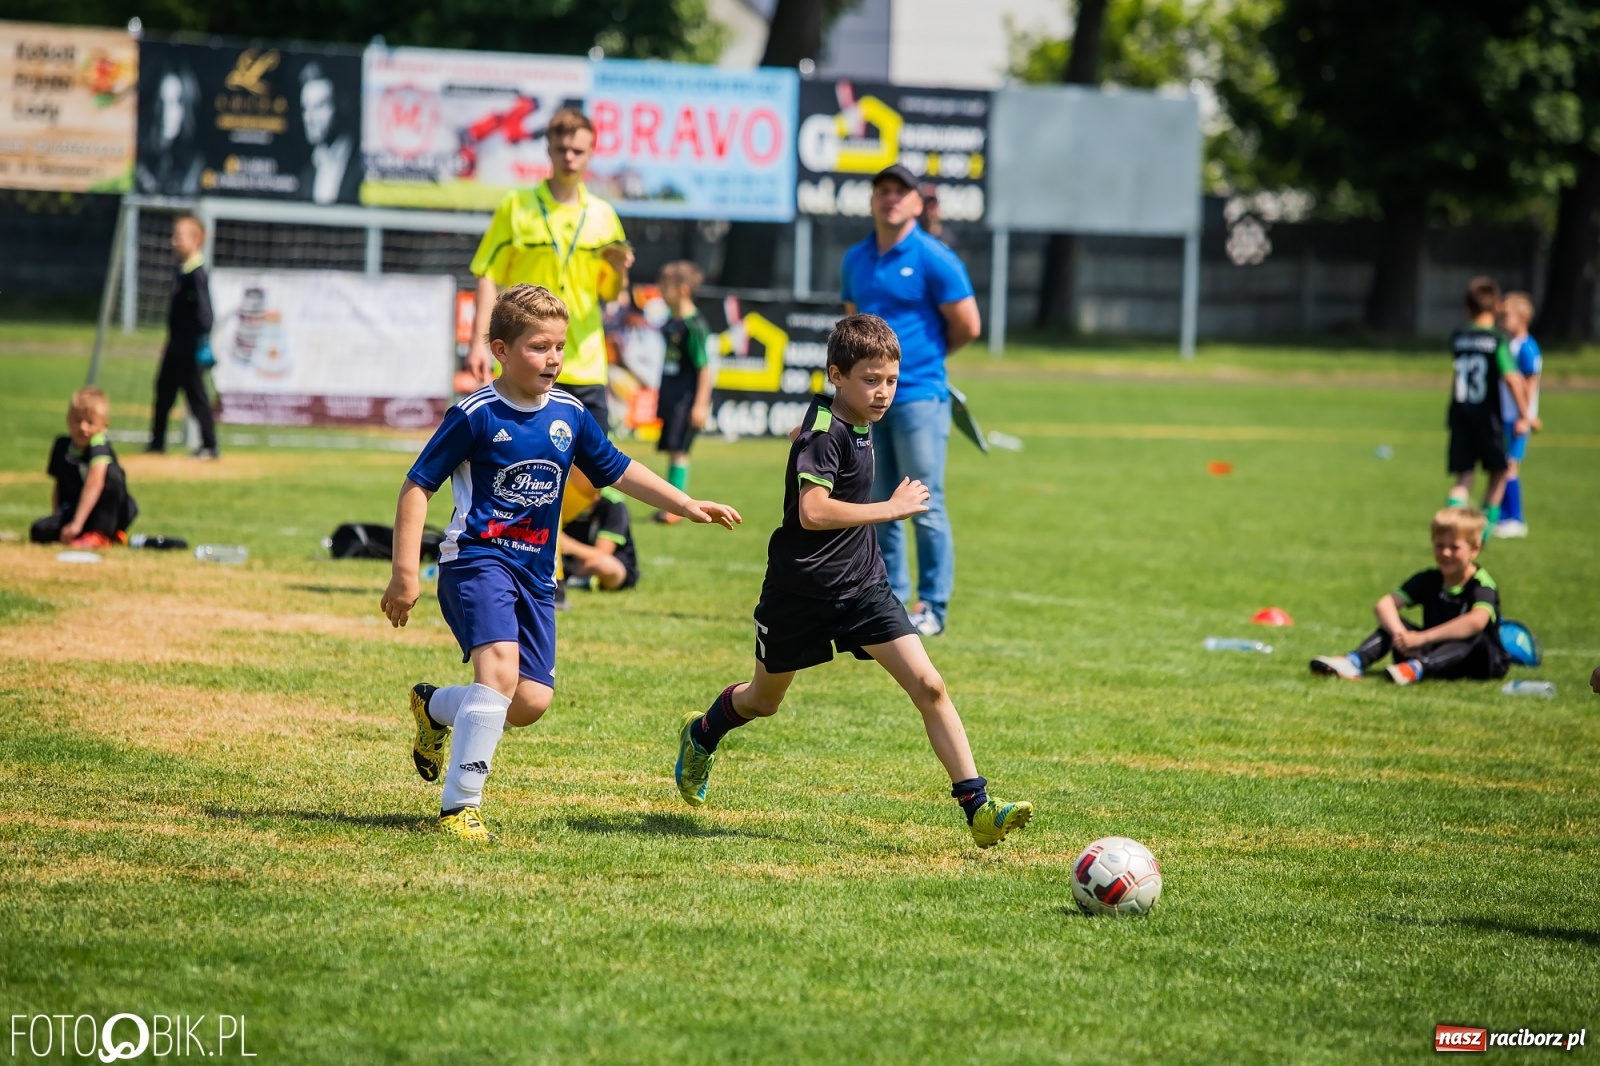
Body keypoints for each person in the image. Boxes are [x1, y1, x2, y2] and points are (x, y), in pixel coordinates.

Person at [381, 284, 740, 842]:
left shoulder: (569, 414)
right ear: (501, 350)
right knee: (497, 672)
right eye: (538, 347)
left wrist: (685, 502)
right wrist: (406, 573)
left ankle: (434, 708)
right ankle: (461, 807)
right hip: (477, 561)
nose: (553, 359)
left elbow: (618, 469)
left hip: (535, 573)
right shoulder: (475, 414)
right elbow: (416, 486)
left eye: (559, 348)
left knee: (526, 701)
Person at [671, 314, 1032, 849]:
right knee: (763, 701)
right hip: (799, 592)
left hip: (863, 588)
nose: (883, 392)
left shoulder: (842, 418)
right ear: (837, 375)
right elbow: (813, 511)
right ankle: (702, 734)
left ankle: (978, 807)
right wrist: (890, 508)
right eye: (870, 380)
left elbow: (809, 438)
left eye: (890, 380)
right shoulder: (827, 431)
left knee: (930, 685)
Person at [841, 164, 982, 638]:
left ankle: (934, 606)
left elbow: (968, 325)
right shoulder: (856, 258)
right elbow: (852, 333)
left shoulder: (934, 257)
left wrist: (921, 365)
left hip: (920, 394)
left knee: (925, 501)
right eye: (882, 190)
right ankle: (891, 600)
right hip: (866, 402)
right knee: (879, 501)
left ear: (919, 203)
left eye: (902, 192)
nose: (891, 199)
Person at [466, 108, 633, 432]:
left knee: (590, 480)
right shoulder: (516, 206)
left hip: (585, 362)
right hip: (526, 361)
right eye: (561, 149)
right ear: (548, 150)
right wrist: (478, 343)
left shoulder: (604, 216)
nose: (569, 158)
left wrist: (619, 272)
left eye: (578, 151)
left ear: (591, 153)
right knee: (526, 469)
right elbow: (487, 274)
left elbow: (610, 293)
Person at [1310, 507, 1510, 686]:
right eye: (1439, 546)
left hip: (1480, 663)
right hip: (1434, 652)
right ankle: (1354, 662)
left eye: (1454, 547)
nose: (1446, 553)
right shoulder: (1430, 578)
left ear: (1474, 549)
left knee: (1472, 635)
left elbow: (1476, 622)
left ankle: (1416, 668)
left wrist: (1422, 638)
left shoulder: (1481, 583)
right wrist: (1403, 637)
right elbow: (1385, 604)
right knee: (1395, 623)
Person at [1445, 276, 1531, 536]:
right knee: (1499, 473)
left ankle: (1450, 530)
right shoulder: (1496, 340)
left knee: (1463, 478)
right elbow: (1512, 378)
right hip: (1487, 417)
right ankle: (1482, 535)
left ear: (1467, 308)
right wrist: (1526, 414)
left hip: (1460, 413)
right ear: (1496, 308)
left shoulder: (1458, 336)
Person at [147, 215, 219, 460]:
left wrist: (199, 342)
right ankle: (157, 442)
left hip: (188, 350)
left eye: (179, 236)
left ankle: (209, 446)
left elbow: (206, 315)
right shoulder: (182, 271)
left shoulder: (196, 274)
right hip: (174, 346)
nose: (173, 241)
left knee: (196, 396)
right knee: (163, 391)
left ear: (197, 240)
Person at [31, 387, 138, 549]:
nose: (82, 427)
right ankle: (92, 534)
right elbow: (59, 484)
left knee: (111, 473)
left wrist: (76, 524)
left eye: (90, 422)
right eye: (77, 420)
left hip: (112, 510)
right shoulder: (62, 446)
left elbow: (95, 483)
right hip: (79, 507)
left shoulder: (100, 447)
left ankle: (102, 533)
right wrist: (58, 516)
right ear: (68, 419)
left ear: (104, 425)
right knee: (39, 531)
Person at [652, 260, 715, 525]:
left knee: (680, 451)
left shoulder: (694, 325)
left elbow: (704, 368)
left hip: (686, 399)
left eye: (665, 287)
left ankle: (675, 510)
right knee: (672, 449)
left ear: (683, 289)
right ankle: (671, 503)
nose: (661, 292)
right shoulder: (670, 321)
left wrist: (700, 405)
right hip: (671, 395)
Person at [1493, 291, 1543, 539]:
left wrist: (1527, 417)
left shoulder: (1527, 348)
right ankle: (1503, 517)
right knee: (1504, 466)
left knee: (1511, 467)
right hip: (1507, 415)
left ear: (1522, 318)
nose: (1501, 321)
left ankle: (1515, 519)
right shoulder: (1509, 344)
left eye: (1506, 316)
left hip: (1518, 417)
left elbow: (1530, 383)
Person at [560, 470, 640, 592]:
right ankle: (575, 580)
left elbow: (602, 552)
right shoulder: (562, 498)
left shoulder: (612, 504)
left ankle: (572, 579)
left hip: (607, 563)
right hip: (570, 562)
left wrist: (568, 545)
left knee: (605, 565)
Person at [297, 60, 358, 206]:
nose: (310, 119)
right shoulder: (306, 174)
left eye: (319, 106)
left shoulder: (363, 165)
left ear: (342, 105)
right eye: (305, 108)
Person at [918, 183, 954, 247]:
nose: (930, 209)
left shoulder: (946, 236)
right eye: (927, 204)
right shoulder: (915, 231)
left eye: (933, 205)